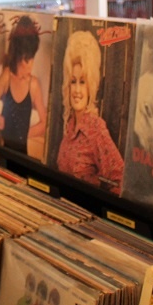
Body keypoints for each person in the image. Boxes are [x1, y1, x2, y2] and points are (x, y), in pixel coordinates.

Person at [54, 29, 124, 193]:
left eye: (83, 82)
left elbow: (120, 179)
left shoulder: (96, 129)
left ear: (91, 86)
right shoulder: (69, 126)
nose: (77, 90)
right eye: (73, 81)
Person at [0, 14, 47, 157]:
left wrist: (24, 133)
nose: (31, 64)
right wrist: (4, 124)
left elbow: (44, 123)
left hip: (22, 153)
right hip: (2, 145)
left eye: (32, 58)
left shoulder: (34, 84)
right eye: (27, 60)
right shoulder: (7, 76)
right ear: (18, 57)